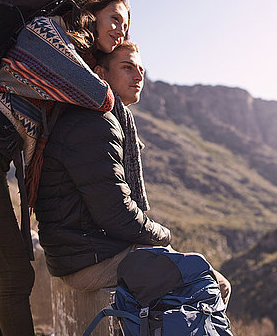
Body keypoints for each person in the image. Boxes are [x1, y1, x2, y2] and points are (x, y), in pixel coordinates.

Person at [0, 0, 130, 336]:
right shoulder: (48, 33)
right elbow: (98, 95)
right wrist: (101, 73)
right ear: (90, 12)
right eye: (115, 18)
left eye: (126, 24)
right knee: (16, 275)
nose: (121, 30)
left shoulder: (45, 39)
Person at [35, 42, 231, 303]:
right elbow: (116, 214)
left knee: (189, 269)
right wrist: (164, 235)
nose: (139, 76)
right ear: (100, 74)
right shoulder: (93, 122)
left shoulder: (103, 118)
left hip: (86, 251)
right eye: (127, 68)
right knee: (213, 283)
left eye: (141, 70)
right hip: (88, 260)